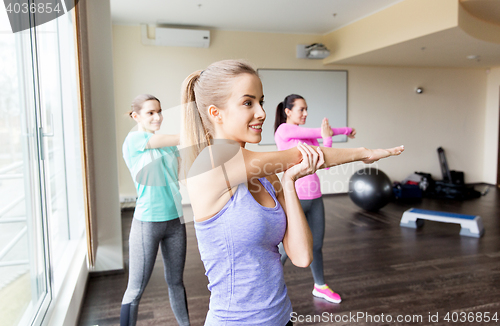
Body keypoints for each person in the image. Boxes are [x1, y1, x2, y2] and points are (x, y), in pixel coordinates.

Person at [179, 60, 404, 326]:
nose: (262, 112)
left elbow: (301, 256)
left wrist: (288, 183)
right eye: (248, 103)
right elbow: (298, 155)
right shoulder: (211, 163)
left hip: (282, 317)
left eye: (261, 101)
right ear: (216, 113)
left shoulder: (266, 174)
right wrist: (364, 153)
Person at [274, 94, 356, 304]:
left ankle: (320, 285)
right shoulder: (285, 130)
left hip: (315, 196)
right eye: (301, 109)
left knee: (317, 245)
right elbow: (318, 132)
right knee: (284, 250)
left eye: (306, 109)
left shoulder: (309, 138)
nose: (306, 113)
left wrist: (327, 138)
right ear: (288, 111)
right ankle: (269, 287)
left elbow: (326, 163)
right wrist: (345, 131)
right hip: (295, 198)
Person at [120, 94, 190, 326]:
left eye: (159, 111)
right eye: (150, 112)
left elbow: (180, 178)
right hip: (147, 222)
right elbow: (182, 137)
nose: (157, 116)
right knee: (136, 289)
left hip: (175, 222)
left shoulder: (168, 145)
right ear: (135, 116)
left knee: (176, 282)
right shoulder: (134, 140)